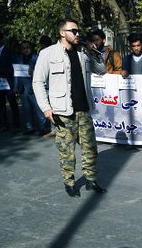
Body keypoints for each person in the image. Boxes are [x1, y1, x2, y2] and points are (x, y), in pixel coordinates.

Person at [33, 18, 107, 197]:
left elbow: (102, 70)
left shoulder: (83, 52)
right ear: (62, 32)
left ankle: (91, 180)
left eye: (78, 31)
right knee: (67, 151)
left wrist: (95, 52)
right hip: (62, 112)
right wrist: (46, 109)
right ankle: (69, 182)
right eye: (74, 31)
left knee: (90, 148)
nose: (77, 34)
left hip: (84, 109)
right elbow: (37, 82)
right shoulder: (48, 54)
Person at [121, 33, 142, 151]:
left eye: (138, 45)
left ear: (141, 46)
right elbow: (122, 74)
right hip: (131, 95)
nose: (136, 48)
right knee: (131, 118)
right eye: (134, 46)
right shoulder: (126, 59)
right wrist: (123, 73)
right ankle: (131, 141)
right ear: (131, 47)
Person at [0, 30, 20, 131]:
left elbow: (13, 67)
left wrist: (0, 71)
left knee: (12, 103)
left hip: (8, 81)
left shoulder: (9, 51)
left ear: (1, 39)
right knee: (0, 104)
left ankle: (16, 124)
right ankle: (4, 124)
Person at [14, 41, 47, 134]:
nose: (25, 50)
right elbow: (16, 74)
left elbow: (43, 71)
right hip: (22, 88)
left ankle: (43, 127)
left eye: (27, 47)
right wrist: (16, 86)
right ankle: (29, 128)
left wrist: (34, 72)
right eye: (23, 48)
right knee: (26, 109)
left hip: (34, 88)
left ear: (31, 48)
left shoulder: (36, 58)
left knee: (39, 109)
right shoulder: (19, 59)